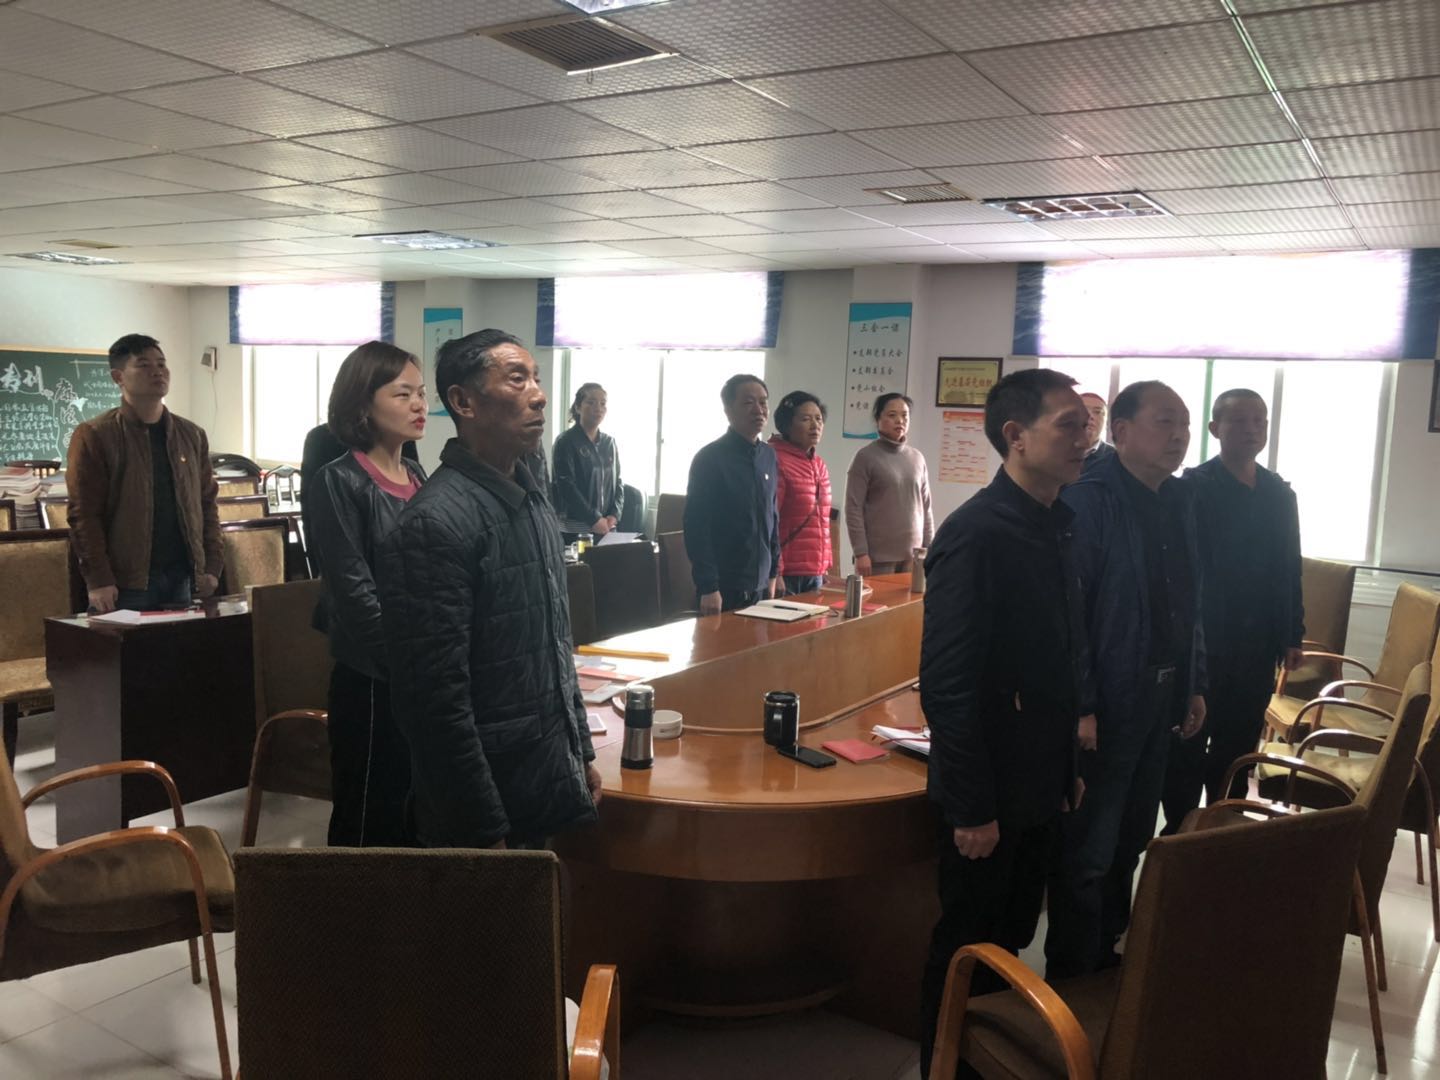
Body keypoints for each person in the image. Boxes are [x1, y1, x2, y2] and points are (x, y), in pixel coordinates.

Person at [918, 369, 1091, 1077]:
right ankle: (943, 1067)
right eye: (1069, 425)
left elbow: (1059, 665)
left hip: (1039, 780)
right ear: (1016, 436)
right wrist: (971, 807)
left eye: (1087, 425)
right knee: (968, 945)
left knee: (1012, 936)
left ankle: (986, 1064)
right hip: (989, 792)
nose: (1085, 438)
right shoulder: (978, 535)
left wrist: (1066, 772)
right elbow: (949, 684)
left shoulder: (1057, 523)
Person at [377, 328, 600, 849]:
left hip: (541, 772)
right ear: (463, 402)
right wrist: (480, 826)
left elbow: (555, 644)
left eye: (536, 378)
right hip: (485, 805)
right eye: (517, 379)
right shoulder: (433, 524)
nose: (539, 395)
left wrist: (581, 752)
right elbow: (434, 705)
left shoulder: (530, 497)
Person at [1044, 380, 1207, 980]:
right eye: (1165, 422)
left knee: (1134, 834)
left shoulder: (1179, 499)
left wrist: (1194, 682)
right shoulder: (1089, 500)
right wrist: (1082, 703)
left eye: (1184, 424)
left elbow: (1190, 603)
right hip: (1109, 699)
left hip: (1160, 692)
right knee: (1090, 844)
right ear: (1120, 431)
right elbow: (1070, 616)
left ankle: (1107, 951)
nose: (1179, 435)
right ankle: (1071, 972)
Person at [1161, 388, 1303, 833]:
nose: (1251, 429)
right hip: (1204, 642)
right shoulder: (1192, 489)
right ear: (1215, 429)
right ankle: (1181, 830)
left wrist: (1293, 633)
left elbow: (1289, 566)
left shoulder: (1279, 493)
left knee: (1239, 742)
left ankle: (1224, 823)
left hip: (1258, 642)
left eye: (1259, 421)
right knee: (1189, 739)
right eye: (1238, 421)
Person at [305, 342, 428, 847]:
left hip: (420, 671)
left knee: (413, 813)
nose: (419, 405)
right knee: (368, 817)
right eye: (403, 394)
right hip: (374, 677)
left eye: (421, 393)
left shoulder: (417, 476)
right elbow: (356, 594)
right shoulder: (339, 481)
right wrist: (409, 663)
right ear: (362, 404)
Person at [67, 334, 223, 613]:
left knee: (183, 642)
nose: (157, 371)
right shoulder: (96, 435)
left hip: (182, 576)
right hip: (126, 582)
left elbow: (207, 503)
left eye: (161, 364)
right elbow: (84, 515)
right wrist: (99, 579)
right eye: (144, 365)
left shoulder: (191, 434)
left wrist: (212, 566)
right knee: (128, 644)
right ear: (118, 377)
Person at [683, 374, 780, 615]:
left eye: (763, 402)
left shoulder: (768, 456)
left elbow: (772, 518)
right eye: (748, 402)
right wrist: (708, 586)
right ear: (728, 410)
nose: (758, 410)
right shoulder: (709, 459)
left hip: (761, 584)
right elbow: (696, 527)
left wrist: (773, 572)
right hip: (724, 587)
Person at [845, 392, 934, 576]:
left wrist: (929, 547)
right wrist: (860, 553)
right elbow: (853, 508)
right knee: (879, 596)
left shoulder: (917, 458)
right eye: (892, 415)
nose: (900, 420)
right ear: (878, 419)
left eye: (905, 415)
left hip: (914, 557)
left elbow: (926, 507)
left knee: (911, 596)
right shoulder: (865, 457)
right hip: (877, 559)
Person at [767, 390, 833, 595]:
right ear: (787, 424)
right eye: (805, 419)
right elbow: (769, 522)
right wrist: (776, 571)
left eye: (819, 419)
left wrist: (824, 565)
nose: (815, 425)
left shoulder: (819, 464)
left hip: (814, 572)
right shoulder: (775, 460)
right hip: (787, 575)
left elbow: (822, 521)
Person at [552, 382, 624, 541]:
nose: (598, 408)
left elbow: (618, 482)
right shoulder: (566, 441)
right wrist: (594, 519)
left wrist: (614, 514)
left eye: (603, 403)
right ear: (578, 407)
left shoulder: (609, 443)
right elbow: (566, 486)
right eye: (591, 402)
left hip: (607, 527)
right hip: (575, 529)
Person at [1080, 391, 1115, 473]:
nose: (1090, 416)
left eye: (1097, 412)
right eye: (1083, 410)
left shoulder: (1116, 458)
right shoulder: (1054, 451)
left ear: (1106, 422)